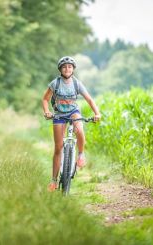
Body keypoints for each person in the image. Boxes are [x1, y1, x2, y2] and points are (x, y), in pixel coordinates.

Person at [42, 56, 101, 192]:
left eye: (69, 67)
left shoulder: (77, 84)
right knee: (58, 148)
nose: (67, 69)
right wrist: (46, 111)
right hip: (59, 114)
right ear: (60, 70)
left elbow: (89, 99)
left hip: (73, 112)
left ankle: (80, 154)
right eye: (64, 67)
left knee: (79, 129)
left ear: (73, 69)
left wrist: (97, 113)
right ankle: (54, 180)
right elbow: (45, 99)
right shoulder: (55, 83)